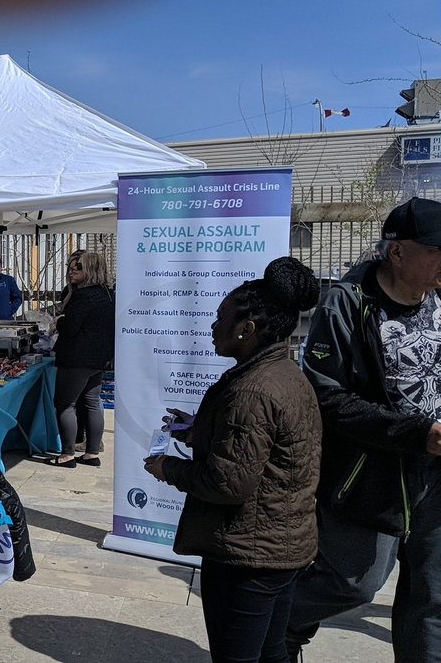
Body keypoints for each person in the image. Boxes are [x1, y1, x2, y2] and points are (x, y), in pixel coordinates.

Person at [143, 256, 322, 662]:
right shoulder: (281, 372)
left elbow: (229, 483)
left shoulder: (253, 390)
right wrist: (198, 431)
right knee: (273, 651)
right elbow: (265, 450)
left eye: (221, 316)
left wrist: (167, 468)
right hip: (284, 545)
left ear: (247, 328)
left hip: (249, 555)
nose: (213, 325)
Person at [285, 197, 441, 661]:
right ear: (397, 253)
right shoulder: (347, 305)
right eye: (437, 250)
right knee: (355, 584)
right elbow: (328, 400)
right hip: (370, 473)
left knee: (433, 594)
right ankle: (279, 621)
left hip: (435, 475)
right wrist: (418, 433)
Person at [44, 252, 115, 468]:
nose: (72, 271)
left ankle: (67, 454)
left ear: (91, 271)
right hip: (98, 359)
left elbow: (72, 328)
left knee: (65, 404)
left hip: (77, 358)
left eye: (79, 267)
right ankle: (91, 453)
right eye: (71, 267)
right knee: (92, 402)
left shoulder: (84, 296)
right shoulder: (107, 294)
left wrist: (60, 321)